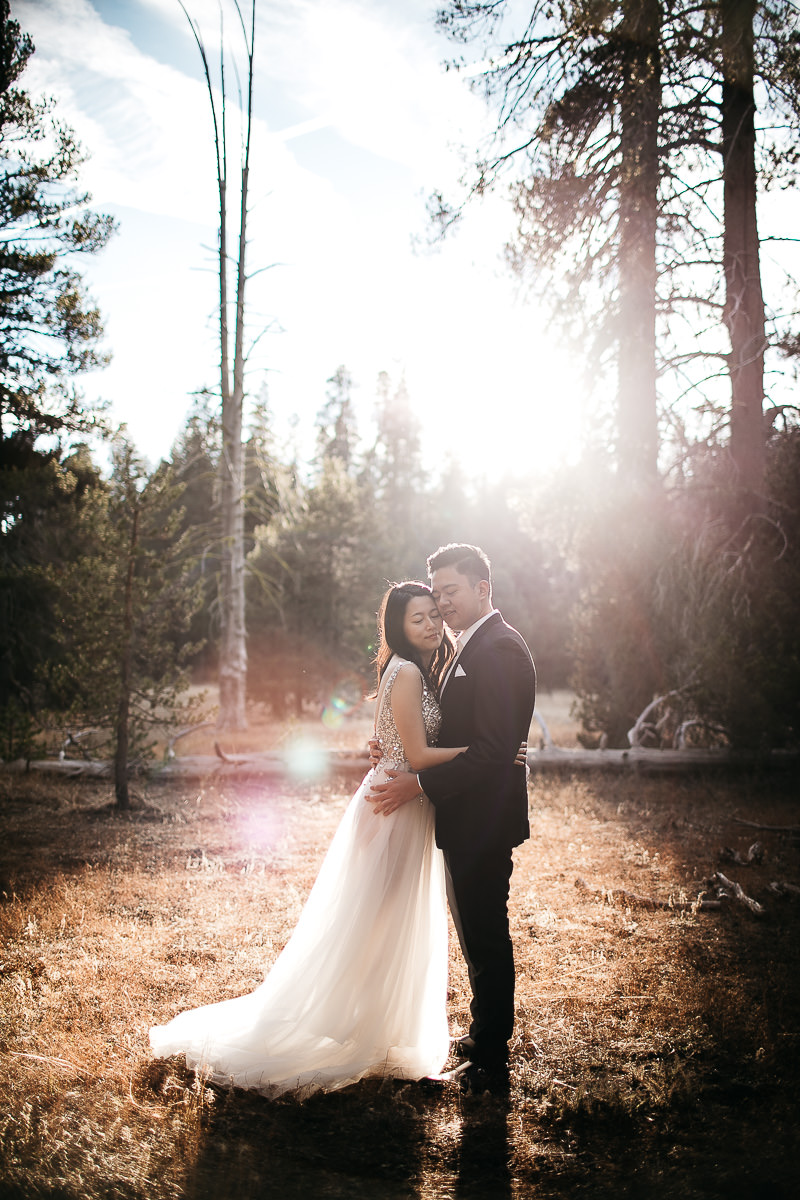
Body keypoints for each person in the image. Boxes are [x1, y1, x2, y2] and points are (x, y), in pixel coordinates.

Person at [149, 581, 470, 1098]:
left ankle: (382, 1034)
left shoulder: (414, 670)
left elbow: (393, 741)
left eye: (435, 615)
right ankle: (344, 1032)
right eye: (419, 619)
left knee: (382, 927)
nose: (432, 624)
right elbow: (419, 753)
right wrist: (486, 752)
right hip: (394, 809)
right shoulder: (409, 671)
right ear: (399, 628)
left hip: (398, 801)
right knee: (371, 926)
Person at [369, 544, 536, 1095]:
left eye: (451, 592)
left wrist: (418, 781)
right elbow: (458, 735)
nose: (442, 604)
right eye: (435, 594)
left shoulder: (502, 650)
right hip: (464, 813)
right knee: (473, 930)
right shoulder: (463, 647)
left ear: (482, 587)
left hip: (485, 818)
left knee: (486, 932)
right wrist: (395, 746)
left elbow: (493, 750)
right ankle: (483, 1031)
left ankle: (491, 1051)